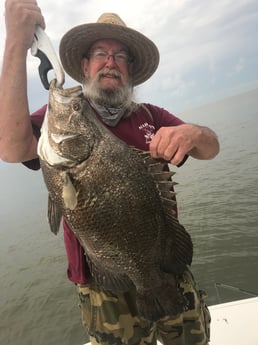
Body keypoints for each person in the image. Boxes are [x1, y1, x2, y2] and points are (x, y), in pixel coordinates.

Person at [0, 1, 220, 344]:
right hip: (101, 281)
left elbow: (210, 147)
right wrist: (16, 40)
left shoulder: (152, 115)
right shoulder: (68, 117)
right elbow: (12, 148)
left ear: (130, 70)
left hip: (164, 265)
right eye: (100, 52)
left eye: (121, 56)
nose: (110, 62)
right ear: (85, 65)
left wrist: (194, 133)